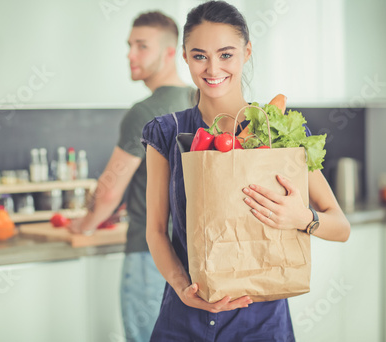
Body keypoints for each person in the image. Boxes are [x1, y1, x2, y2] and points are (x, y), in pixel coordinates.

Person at [141, 1, 351, 341]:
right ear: (184, 56)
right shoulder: (165, 132)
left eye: (226, 55)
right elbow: (155, 231)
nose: (212, 69)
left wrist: (301, 218)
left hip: (261, 325)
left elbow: (340, 226)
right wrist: (182, 288)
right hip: (183, 321)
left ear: (246, 52)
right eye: (199, 56)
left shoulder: (280, 131)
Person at [69, 11, 195, 342]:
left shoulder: (144, 111)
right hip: (195, 255)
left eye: (142, 46)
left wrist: (84, 225)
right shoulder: (198, 100)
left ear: (170, 53)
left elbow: (110, 189)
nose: (130, 54)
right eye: (130, 45)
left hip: (150, 254)